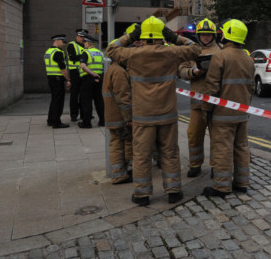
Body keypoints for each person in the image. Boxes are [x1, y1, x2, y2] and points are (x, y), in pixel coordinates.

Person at [106, 16, 201, 206]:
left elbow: (111, 49)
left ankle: (142, 194)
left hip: (143, 116)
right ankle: (173, 190)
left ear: (142, 36)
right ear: (161, 35)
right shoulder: (171, 52)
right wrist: (174, 37)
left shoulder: (133, 55)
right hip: (167, 115)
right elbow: (195, 48)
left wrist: (131, 37)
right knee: (170, 152)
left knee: (141, 154)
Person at [201, 19, 255, 197]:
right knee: (241, 147)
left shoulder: (221, 56)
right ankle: (242, 183)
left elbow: (211, 87)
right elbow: (251, 88)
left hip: (223, 115)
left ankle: (222, 186)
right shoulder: (247, 57)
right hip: (242, 113)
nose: (221, 35)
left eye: (223, 32)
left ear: (228, 35)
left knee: (222, 149)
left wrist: (206, 110)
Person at [178, 18, 221, 178]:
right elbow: (181, 70)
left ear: (213, 36)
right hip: (197, 103)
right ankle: (195, 164)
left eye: (208, 35)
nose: (205, 38)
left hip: (216, 102)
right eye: (202, 35)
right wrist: (192, 73)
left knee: (217, 136)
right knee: (194, 134)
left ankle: (216, 166)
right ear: (198, 35)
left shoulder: (221, 52)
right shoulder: (192, 51)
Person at [103, 36, 133, 185]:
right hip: (119, 115)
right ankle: (119, 175)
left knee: (119, 142)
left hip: (112, 114)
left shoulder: (112, 69)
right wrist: (129, 118)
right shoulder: (119, 72)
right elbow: (123, 97)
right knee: (119, 144)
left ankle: (122, 171)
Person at [77, 34, 105, 129]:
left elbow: (83, 66)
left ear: (88, 43)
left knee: (86, 101)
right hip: (99, 79)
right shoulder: (100, 53)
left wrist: (92, 74)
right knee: (99, 101)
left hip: (88, 79)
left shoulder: (86, 53)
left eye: (84, 42)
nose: (83, 44)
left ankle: (87, 123)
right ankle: (102, 121)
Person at [45, 34, 71, 128]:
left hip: (51, 79)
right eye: (63, 42)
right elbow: (63, 69)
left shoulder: (48, 51)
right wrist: (68, 80)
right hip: (57, 80)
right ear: (57, 41)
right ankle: (56, 122)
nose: (64, 44)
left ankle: (50, 120)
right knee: (58, 102)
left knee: (54, 100)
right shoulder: (58, 52)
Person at [66, 29, 87, 123]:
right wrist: (84, 56)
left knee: (84, 94)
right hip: (75, 72)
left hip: (84, 72)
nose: (82, 38)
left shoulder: (86, 45)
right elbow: (72, 57)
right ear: (76, 36)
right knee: (74, 94)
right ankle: (74, 115)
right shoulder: (71, 45)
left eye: (83, 37)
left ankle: (84, 114)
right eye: (80, 36)